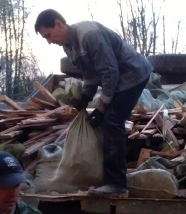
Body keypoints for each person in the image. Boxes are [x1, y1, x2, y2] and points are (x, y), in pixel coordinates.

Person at [34, 9, 153, 199]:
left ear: (58, 24)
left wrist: (102, 107)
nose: (49, 41)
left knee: (113, 123)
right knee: (106, 122)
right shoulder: (69, 46)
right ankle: (107, 176)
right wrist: (85, 98)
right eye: (45, 38)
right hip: (118, 79)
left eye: (48, 35)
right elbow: (91, 75)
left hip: (132, 75)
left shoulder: (89, 35)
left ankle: (117, 185)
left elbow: (110, 72)